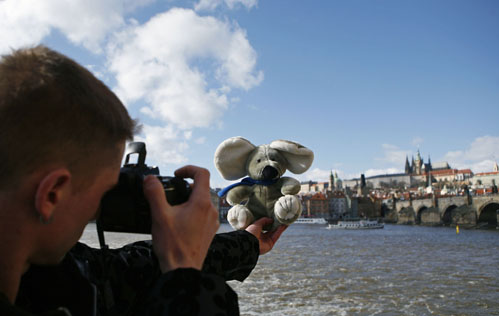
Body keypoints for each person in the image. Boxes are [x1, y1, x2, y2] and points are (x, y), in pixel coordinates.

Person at [0, 46, 287, 316]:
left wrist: (246, 243)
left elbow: (125, 271)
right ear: (52, 195)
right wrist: (185, 276)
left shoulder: (40, 272)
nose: (102, 209)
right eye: (105, 191)